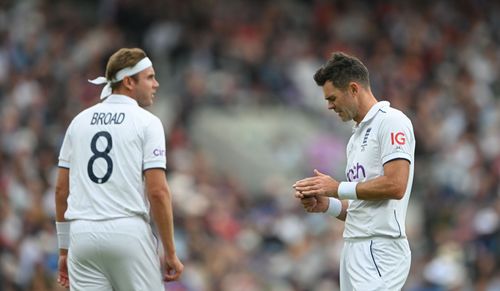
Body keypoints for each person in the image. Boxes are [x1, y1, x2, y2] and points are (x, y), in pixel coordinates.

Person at [55, 47, 184, 290]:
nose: (156, 84)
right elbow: (158, 192)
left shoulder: (79, 121)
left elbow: (61, 190)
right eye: (149, 77)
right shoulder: (148, 122)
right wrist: (170, 252)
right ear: (128, 82)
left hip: (82, 236)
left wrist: (64, 249)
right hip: (127, 231)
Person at [293, 52, 415, 290]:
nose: (329, 106)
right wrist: (328, 204)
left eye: (332, 98)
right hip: (354, 247)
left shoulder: (391, 121)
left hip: (380, 248)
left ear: (353, 89)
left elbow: (396, 185)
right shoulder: (355, 137)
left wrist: (337, 188)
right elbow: (362, 210)